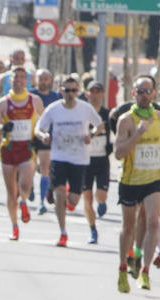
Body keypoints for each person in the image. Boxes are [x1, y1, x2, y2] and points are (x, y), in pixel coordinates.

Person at [34, 76, 102, 247]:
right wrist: (44, 136)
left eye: (74, 90)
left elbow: (100, 125)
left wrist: (91, 134)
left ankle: (63, 192)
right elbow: (38, 128)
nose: (70, 94)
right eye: (67, 90)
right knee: (59, 193)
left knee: (73, 200)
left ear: (78, 91)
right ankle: (63, 232)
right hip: (59, 156)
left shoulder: (85, 108)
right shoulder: (53, 109)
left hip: (79, 158)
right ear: (61, 91)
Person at [113, 76, 160, 292]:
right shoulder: (126, 120)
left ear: (154, 93)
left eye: (148, 91)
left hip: (154, 178)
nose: (145, 95)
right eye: (141, 91)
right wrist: (139, 133)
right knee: (129, 227)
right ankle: (123, 268)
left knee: (153, 222)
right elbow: (118, 153)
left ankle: (145, 272)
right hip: (131, 179)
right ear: (134, 93)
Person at [0, 67, 44, 240]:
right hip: (8, 149)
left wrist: (40, 136)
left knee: (24, 186)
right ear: (10, 80)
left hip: (27, 149)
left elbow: (43, 122)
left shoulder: (35, 101)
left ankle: (24, 202)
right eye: (16, 77)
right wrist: (2, 128)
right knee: (10, 192)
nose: (19, 80)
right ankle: (14, 227)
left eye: (23, 77)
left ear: (27, 81)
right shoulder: (2, 103)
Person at [82, 81, 111, 244]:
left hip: (102, 160)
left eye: (97, 92)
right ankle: (93, 230)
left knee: (100, 196)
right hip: (85, 161)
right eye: (91, 92)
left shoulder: (108, 115)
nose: (94, 95)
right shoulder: (82, 114)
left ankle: (102, 201)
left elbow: (115, 135)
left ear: (102, 95)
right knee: (87, 198)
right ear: (87, 95)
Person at [30, 69, 63, 211]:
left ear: (50, 80)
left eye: (46, 79)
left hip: (46, 137)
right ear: (35, 80)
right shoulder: (30, 95)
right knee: (29, 167)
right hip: (29, 136)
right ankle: (29, 185)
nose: (43, 82)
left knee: (44, 167)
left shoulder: (56, 97)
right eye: (40, 79)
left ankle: (41, 201)